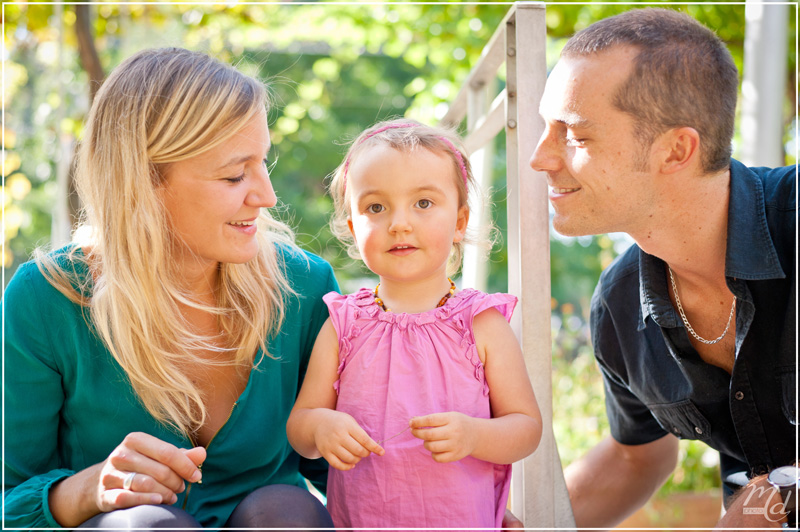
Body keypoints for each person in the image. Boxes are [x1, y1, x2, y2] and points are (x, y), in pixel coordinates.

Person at [3, 48, 337, 530]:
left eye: (263, 162)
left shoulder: (304, 286)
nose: (266, 195)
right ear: (144, 182)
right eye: (234, 174)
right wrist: (90, 488)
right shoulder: (46, 299)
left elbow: (349, 475)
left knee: (287, 512)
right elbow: (7, 498)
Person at [529, 7, 796, 529]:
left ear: (677, 150)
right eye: (546, 128)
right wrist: (523, 522)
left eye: (576, 135)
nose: (542, 157)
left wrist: (780, 490)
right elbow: (636, 458)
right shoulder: (620, 303)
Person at [286, 119, 543, 528]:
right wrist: (321, 426)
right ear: (353, 229)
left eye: (423, 203)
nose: (399, 223)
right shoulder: (343, 323)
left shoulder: (481, 323)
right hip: (362, 520)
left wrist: (475, 436)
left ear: (460, 222)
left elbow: (526, 428)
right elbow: (300, 425)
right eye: (376, 207)